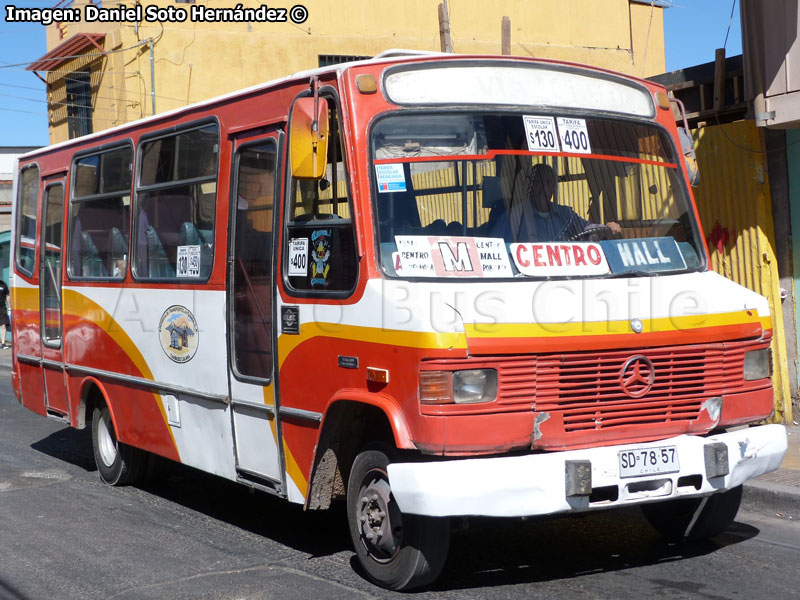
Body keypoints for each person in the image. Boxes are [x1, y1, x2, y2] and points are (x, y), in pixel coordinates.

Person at [524, 163, 621, 242]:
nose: (544, 188)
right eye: (539, 182)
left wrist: (606, 228)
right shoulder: (519, 216)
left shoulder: (565, 214)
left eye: (548, 183)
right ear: (531, 186)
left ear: (553, 188)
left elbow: (587, 228)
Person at [0, 280, 10, 349]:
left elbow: (7, 296)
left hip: (2, 307)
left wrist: (9, 307)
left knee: (4, 325)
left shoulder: (3, 284)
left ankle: (3, 343)